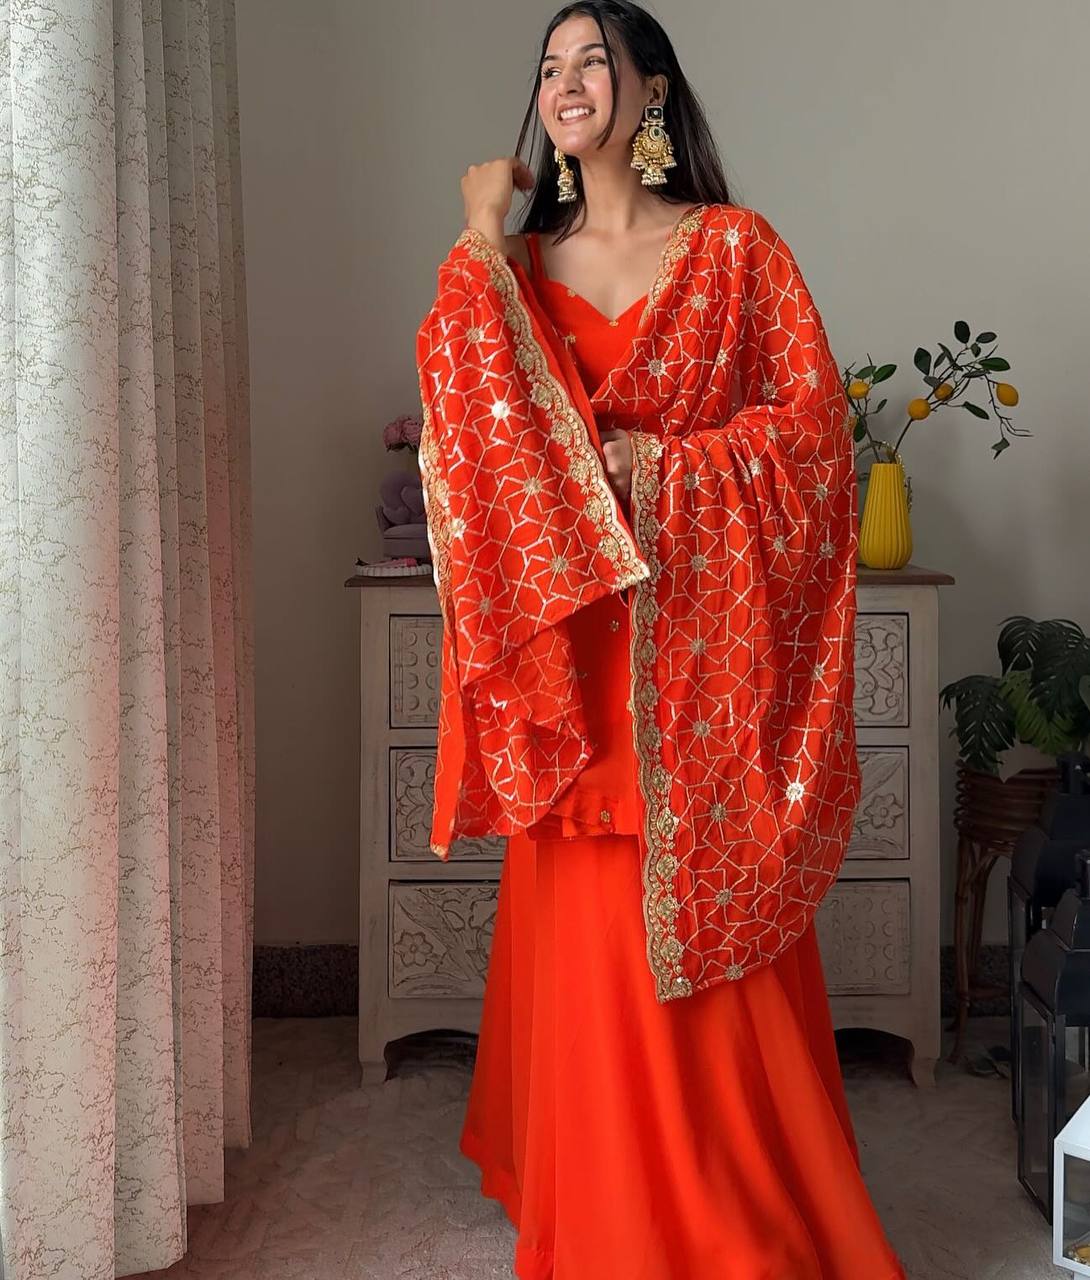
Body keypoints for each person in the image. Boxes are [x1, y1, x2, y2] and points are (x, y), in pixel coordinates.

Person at [415, 3, 908, 1277]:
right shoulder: (515, 265)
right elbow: (467, 415)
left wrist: (666, 468)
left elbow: (813, 442)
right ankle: (608, 1227)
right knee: (588, 943)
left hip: (702, 655)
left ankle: (733, 1222)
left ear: (650, 93)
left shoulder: (735, 251)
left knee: (704, 930)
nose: (567, 82)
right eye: (550, 67)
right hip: (574, 664)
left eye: (595, 60)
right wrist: (479, 226)